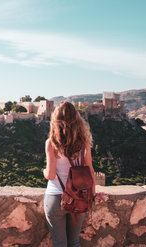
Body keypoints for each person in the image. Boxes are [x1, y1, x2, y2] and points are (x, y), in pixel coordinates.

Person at [43, 101, 105, 247]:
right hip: (79, 197)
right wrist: (92, 194)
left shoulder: (51, 143)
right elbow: (90, 171)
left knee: (60, 244)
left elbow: (51, 175)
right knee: (74, 242)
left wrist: (44, 172)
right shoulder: (83, 143)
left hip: (55, 198)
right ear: (77, 119)